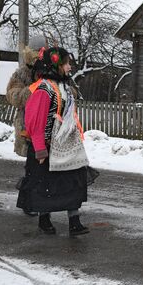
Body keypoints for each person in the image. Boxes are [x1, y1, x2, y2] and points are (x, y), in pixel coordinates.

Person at [18, 46, 95, 236]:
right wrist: (40, 149)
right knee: (47, 185)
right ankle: (44, 220)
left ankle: (74, 222)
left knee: (72, 183)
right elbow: (35, 121)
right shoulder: (44, 88)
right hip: (47, 147)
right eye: (66, 63)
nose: (70, 67)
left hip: (67, 145)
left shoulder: (65, 87)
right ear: (55, 65)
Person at [6, 34, 46, 216]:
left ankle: (41, 201)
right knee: (32, 165)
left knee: (42, 166)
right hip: (27, 126)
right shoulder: (22, 73)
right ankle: (27, 202)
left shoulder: (50, 70)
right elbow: (12, 95)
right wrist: (31, 93)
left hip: (46, 125)